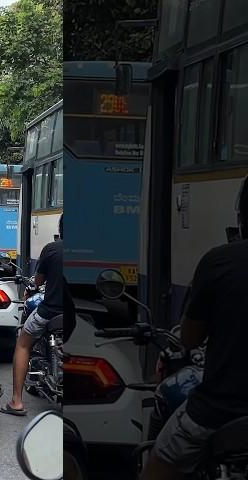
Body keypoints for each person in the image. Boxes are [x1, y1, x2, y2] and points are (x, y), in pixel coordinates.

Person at [140, 177, 248, 479]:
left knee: (157, 464)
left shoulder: (219, 261)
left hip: (217, 412)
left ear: (242, 218)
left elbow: (189, 337)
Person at [0, 214, 64, 416]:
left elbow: (37, 280)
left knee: (23, 343)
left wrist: (32, 287)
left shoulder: (52, 250)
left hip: (49, 313)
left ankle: (16, 401)